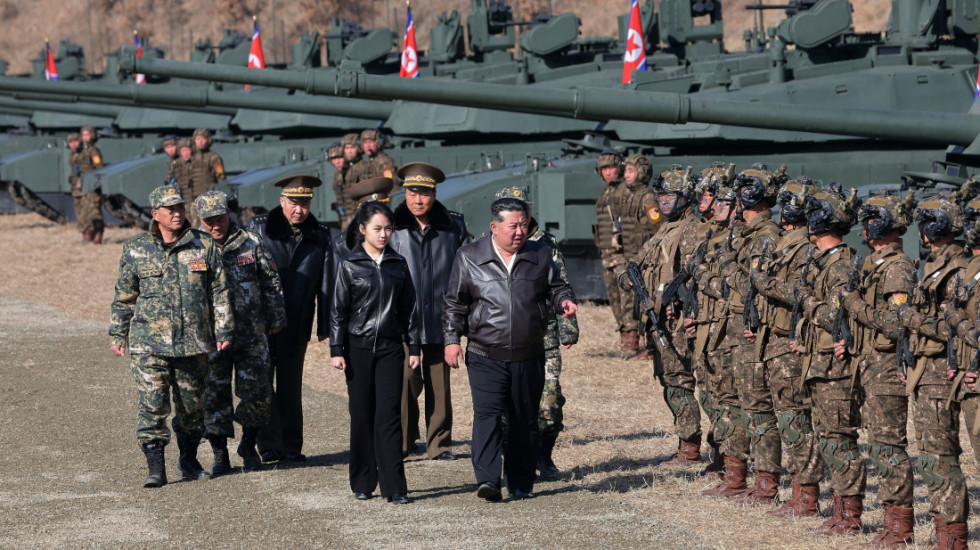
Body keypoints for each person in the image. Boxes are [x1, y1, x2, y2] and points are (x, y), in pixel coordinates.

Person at [443, 197, 577, 502]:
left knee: (524, 419)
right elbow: (454, 302)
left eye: (524, 225)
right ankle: (488, 479)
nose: (520, 231)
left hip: (529, 353)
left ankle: (520, 483)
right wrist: (451, 340)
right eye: (513, 225)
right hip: (484, 352)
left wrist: (563, 301)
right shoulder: (469, 256)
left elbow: (557, 288)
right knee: (487, 415)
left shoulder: (541, 255)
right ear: (494, 227)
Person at [108, 185, 234, 487]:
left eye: (180, 208)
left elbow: (219, 291)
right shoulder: (137, 248)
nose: (177, 213)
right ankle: (155, 468)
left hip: (193, 343)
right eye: (170, 209)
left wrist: (224, 328)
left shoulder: (203, 244)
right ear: (155, 215)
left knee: (192, 409)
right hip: (149, 345)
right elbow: (125, 295)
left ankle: (188, 460)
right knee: (152, 405)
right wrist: (118, 333)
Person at [835, 190, 917, 545]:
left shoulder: (897, 268)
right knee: (877, 444)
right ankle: (880, 522)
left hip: (885, 369)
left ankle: (899, 528)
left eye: (872, 220)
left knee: (888, 447)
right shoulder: (874, 264)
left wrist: (854, 307)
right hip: (866, 364)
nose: (866, 227)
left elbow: (896, 323)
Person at [892, 192, 970, 548]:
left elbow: (950, 328)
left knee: (942, 458)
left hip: (942, 372)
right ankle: (943, 533)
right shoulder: (933, 266)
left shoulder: (956, 271)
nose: (919, 230)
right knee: (930, 458)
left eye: (924, 224)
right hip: (928, 369)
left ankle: (953, 538)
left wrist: (909, 317)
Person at [330, 201, 421, 504]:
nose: (383, 235)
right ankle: (362, 481)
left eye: (388, 229)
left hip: (391, 350)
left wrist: (415, 346)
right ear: (362, 230)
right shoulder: (348, 264)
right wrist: (336, 348)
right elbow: (338, 311)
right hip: (357, 349)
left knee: (389, 417)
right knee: (362, 416)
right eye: (377, 229)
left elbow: (409, 309)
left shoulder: (399, 264)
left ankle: (395, 487)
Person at [195, 191, 287, 475]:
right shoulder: (193, 247)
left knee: (258, 392)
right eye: (209, 220)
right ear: (200, 219)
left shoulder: (251, 241)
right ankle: (220, 454)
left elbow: (271, 281)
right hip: (212, 338)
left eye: (220, 218)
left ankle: (248, 445)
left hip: (251, 333)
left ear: (229, 214)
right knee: (213, 396)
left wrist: (276, 316)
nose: (215, 225)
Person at [619, 164, 704, 467]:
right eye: (662, 194)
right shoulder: (664, 230)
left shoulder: (693, 230)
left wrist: (682, 305)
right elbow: (636, 263)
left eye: (672, 194)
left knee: (679, 382)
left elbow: (695, 277)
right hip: (659, 319)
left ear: (686, 197)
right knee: (670, 381)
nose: (664, 200)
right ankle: (686, 444)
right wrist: (627, 278)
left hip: (677, 320)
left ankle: (690, 449)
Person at [747, 178, 824, 517]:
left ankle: (806, 497)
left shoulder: (806, 249)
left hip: (791, 344)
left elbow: (801, 293)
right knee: (787, 419)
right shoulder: (785, 244)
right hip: (773, 339)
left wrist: (765, 283)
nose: (782, 207)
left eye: (790, 202)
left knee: (797, 420)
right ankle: (794, 491)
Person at [794, 185, 866, 535]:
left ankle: (849, 517)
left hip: (835, 367)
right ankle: (839, 511)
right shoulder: (823, 262)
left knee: (840, 437)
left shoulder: (841, 265)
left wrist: (806, 300)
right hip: (818, 362)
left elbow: (837, 316)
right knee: (827, 436)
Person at [494, 185, 579, 479]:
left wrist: (568, 327)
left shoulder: (545, 244)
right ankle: (512, 461)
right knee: (506, 404)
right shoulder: (487, 243)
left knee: (550, 400)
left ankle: (544, 457)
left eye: (525, 207)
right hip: (504, 337)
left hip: (545, 335)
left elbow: (561, 284)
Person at [247, 175, 333, 463]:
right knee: (263, 384)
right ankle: (268, 444)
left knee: (290, 385)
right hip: (262, 323)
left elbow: (326, 284)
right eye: (294, 202)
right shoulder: (259, 229)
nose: (299, 209)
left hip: (298, 322)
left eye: (305, 203)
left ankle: (292, 445)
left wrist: (324, 325)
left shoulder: (320, 235)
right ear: (282, 201)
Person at [389, 162, 469, 461]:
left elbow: (465, 270)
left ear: (434, 195)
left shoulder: (454, 226)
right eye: (412, 193)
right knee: (406, 381)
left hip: (441, 315)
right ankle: (405, 439)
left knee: (439, 382)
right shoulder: (392, 225)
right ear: (405, 193)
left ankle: (440, 443)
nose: (417, 200)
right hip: (403, 318)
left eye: (424, 194)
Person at [617, 154, 661, 359]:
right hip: (632, 259)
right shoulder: (630, 196)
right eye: (625, 170)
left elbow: (659, 227)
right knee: (632, 305)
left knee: (647, 303)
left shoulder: (647, 198)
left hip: (646, 261)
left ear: (641, 173)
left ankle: (651, 347)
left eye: (631, 170)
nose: (626, 174)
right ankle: (635, 344)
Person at [593, 150, 634, 355]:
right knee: (615, 302)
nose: (608, 172)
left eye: (612, 167)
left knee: (628, 301)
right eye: (604, 169)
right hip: (607, 256)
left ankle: (633, 344)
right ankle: (625, 340)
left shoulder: (626, 191)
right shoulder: (605, 193)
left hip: (622, 256)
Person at [70, 127, 105, 244]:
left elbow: (98, 167)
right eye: (83, 135)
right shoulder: (76, 153)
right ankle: (87, 233)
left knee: (94, 211)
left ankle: (97, 234)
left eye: (87, 135)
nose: (85, 137)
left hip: (90, 185)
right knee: (81, 212)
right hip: (79, 186)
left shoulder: (93, 151)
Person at [191, 128, 225, 198]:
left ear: (208, 140)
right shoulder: (191, 157)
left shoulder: (214, 157)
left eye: (203, 139)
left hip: (209, 195)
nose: (200, 141)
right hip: (193, 196)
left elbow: (221, 176)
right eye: (197, 139)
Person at [339, 133, 363, 230]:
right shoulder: (348, 168)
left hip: (358, 216)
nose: (349, 151)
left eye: (352, 148)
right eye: (346, 148)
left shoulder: (363, 167)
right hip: (347, 217)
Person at [172, 139, 198, 228]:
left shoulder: (197, 163)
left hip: (196, 198)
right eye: (183, 151)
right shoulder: (176, 164)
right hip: (183, 199)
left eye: (188, 150)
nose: (186, 153)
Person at [327, 143, 353, 225]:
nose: (337, 162)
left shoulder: (355, 172)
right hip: (345, 219)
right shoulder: (337, 176)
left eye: (340, 157)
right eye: (334, 158)